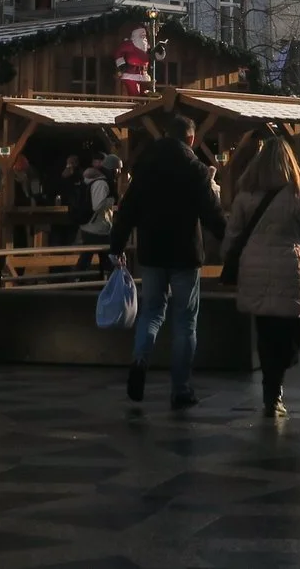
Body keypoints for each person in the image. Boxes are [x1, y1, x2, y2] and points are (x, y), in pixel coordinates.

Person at [109, 121, 228, 410]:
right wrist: (230, 242)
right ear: (191, 137)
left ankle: (140, 359)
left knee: (150, 312)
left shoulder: (145, 168)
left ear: (165, 135)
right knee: (185, 320)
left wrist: (116, 246)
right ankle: (181, 389)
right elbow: (212, 213)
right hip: (186, 254)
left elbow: (127, 211)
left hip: (151, 252)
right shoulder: (195, 170)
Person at [222, 137, 300, 417]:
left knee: (265, 333)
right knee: (290, 336)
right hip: (290, 268)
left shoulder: (245, 196)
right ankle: (276, 388)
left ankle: (270, 392)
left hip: (254, 268)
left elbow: (233, 236)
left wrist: (229, 256)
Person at [76, 154, 119, 274]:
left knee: (91, 258)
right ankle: (79, 282)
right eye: (118, 168)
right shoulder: (102, 183)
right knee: (106, 259)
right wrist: (110, 200)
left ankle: (79, 282)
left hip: (93, 226)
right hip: (96, 227)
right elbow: (98, 205)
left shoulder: (98, 181)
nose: (119, 171)